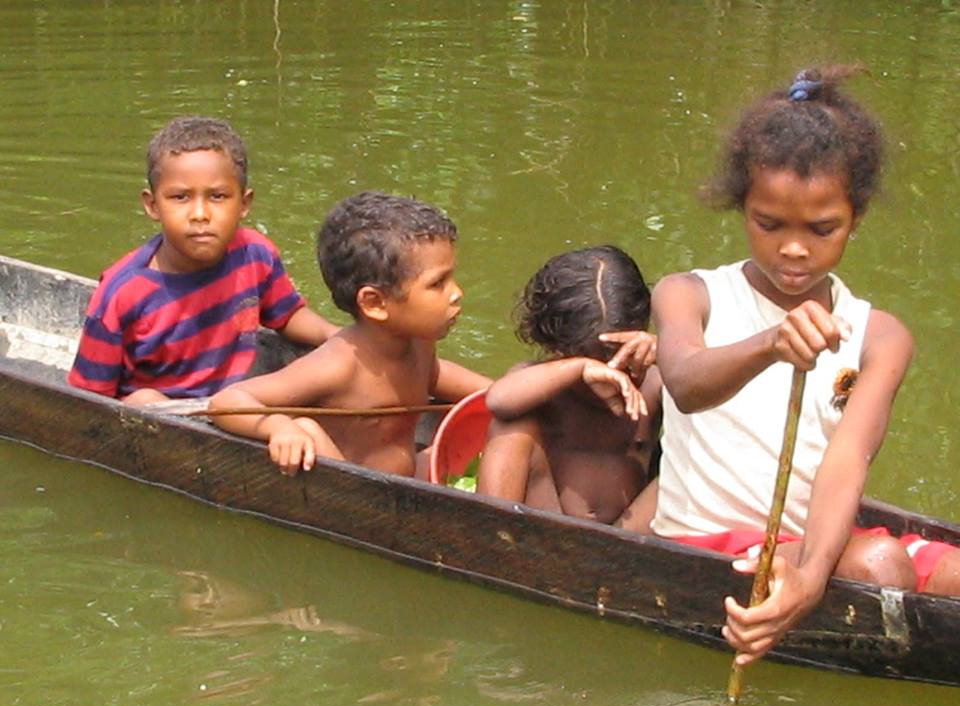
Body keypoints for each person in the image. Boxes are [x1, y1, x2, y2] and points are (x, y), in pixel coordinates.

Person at [650, 66, 960, 667]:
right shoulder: (690, 293)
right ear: (743, 209)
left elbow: (848, 458)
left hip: (814, 544)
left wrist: (813, 575)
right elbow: (685, 385)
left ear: (856, 220)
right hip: (709, 540)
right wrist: (771, 345)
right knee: (879, 566)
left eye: (823, 229)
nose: (794, 248)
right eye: (770, 224)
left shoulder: (881, 335)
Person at [207, 191, 490, 477]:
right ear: (375, 303)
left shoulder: (420, 345)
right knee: (307, 428)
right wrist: (279, 426)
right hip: (351, 495)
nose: (456, 293)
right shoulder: (337, 366)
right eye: (438, 283)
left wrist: (498, 392)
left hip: (406, 481)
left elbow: (435, 375)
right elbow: (226, 403)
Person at [68, 116, 338, 405]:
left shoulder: (254, 254)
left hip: (236, 398)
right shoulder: (122, 294)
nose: (200, 214)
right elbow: (90, 398)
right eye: (180, 197)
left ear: (244, 204)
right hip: (169, 415)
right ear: (153, 205)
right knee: (143, 401)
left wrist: (334, 335)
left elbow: (286, 314)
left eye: (218, 196)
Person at [477, 246, 661, 527]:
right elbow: (498, 401)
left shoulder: (656, 380)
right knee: (509, 428)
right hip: (552, 526)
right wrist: (579, 370)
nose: (611, 372)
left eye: (622, 358)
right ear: (559, 348)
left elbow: (720, 412)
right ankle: (492, 535)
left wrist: (666, 353)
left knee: (695, 452)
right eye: (593, 359)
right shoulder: (544, 381)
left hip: (630, 537)